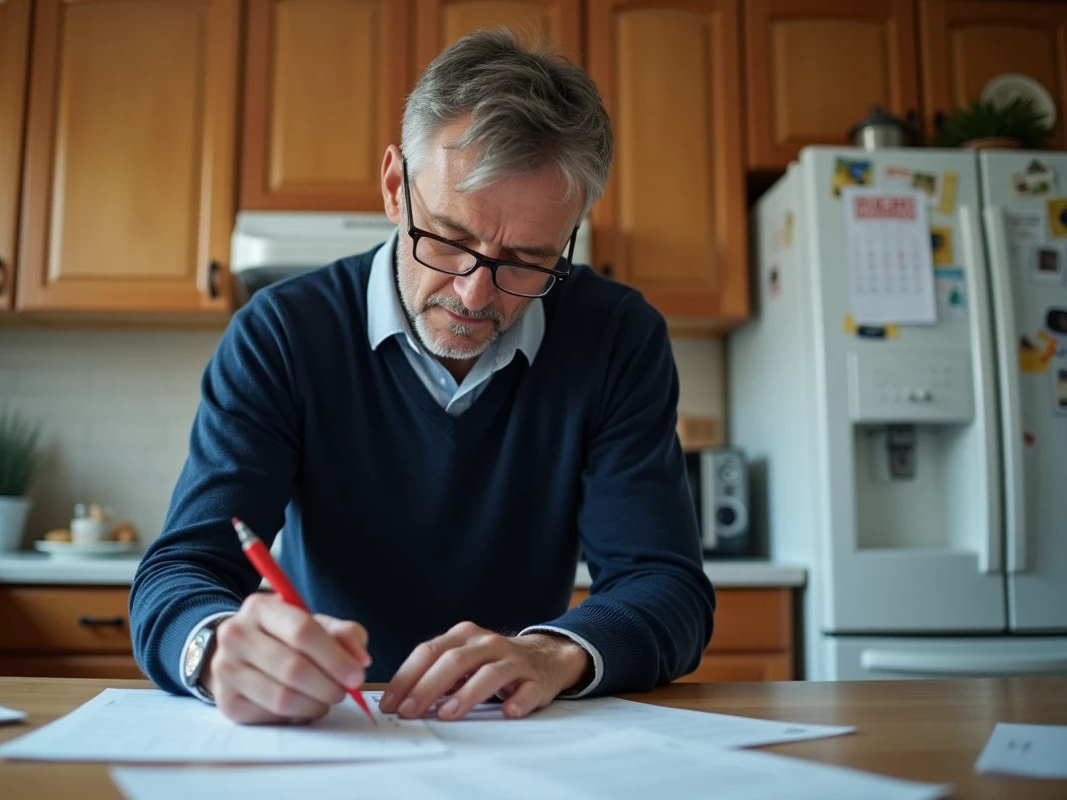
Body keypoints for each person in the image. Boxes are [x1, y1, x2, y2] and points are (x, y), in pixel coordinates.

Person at [130, 27, 715, 726]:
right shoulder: (281, 333)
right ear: (392, 187)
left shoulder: (617, 337)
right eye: (447, 237)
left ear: (571, 237)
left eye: (527, 261)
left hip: (520, 730)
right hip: (330, 729)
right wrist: (218, 647)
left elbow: (667, 585)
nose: (473, 295)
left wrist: (555, 654)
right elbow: (178, 573)